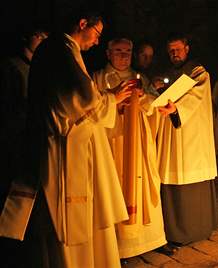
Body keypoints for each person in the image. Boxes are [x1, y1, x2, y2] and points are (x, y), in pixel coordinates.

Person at [0, 10, 133, 268]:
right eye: (97, 34)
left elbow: (76, 95)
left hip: (60, 141)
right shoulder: (60, 49)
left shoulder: (61, 49)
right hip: (64, 149)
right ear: (83, 24)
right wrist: (111, 99)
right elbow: (83, 99)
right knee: (69, 222)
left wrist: (104, 97)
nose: (96, 41)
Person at [92, 37, 167, 258]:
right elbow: (92, 109)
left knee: (144, 186)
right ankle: (119, 248)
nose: (123, 56)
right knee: (115, 186)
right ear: (108, 53)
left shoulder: (139, 77)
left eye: (127, 51)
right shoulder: (97, 77)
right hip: (113, 142)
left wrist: (143, 98)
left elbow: (152, 107)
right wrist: (114, 102)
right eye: (118, 51)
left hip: (139, 141)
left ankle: (151, 240)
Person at [155, 34, 218, 246]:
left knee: (192, 177)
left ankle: (198, 229)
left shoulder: (198, 71)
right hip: (171, 136)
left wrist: (177, 109)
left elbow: (196, 95)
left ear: (187, 49)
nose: (175, 54)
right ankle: (175, 231)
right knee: (172, 175)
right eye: (171, 50)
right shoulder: (165, 74)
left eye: (178, 49)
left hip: (192, 137)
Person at [0, 26, 48, 209]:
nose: (41, 40)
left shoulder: (44, 69)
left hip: (35, 135)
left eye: (45, 37)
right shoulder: (12, 66)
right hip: (15, 135)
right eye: (38, 35)